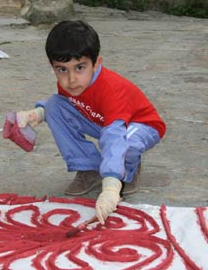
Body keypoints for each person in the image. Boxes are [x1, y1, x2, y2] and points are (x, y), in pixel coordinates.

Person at [16, 20, 166, 225]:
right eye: (62, 70)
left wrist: (112, 187)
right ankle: (89, 168)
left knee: (123, 145)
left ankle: (126, 171)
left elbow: (114, 136)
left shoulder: (111, 89)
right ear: (52, 67)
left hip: (140, 125)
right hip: (102, 121)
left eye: (79, 68)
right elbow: (63, 105)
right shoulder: (71, 83)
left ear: (96, 63)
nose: (71, 79)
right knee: (54, 105)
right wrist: (37, 114)